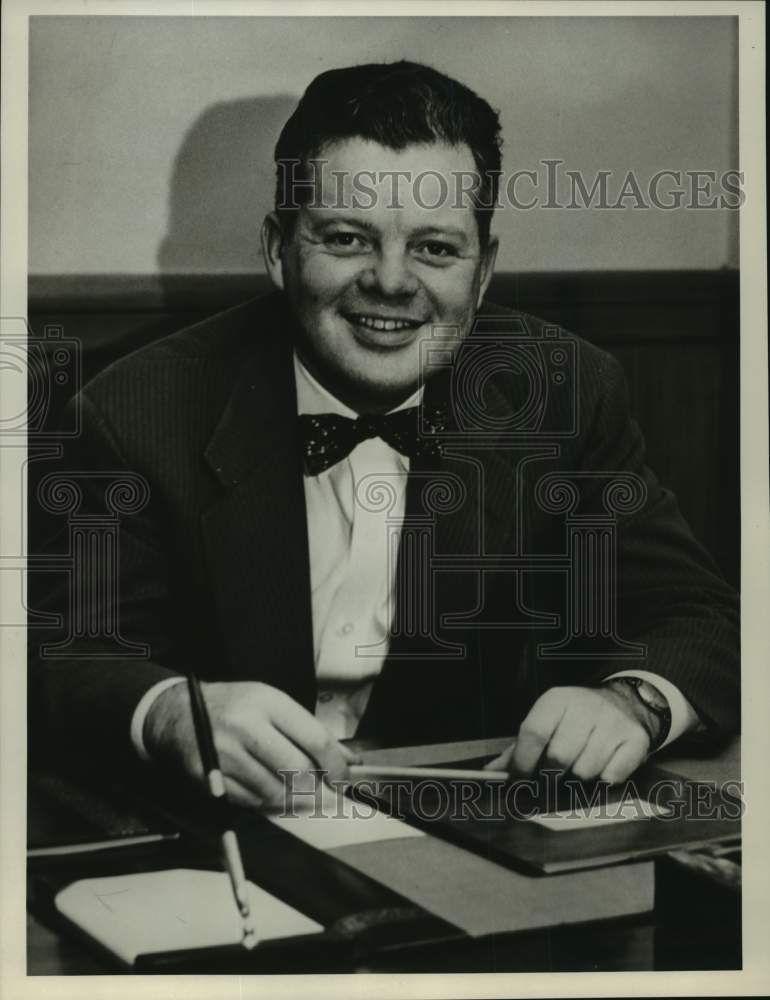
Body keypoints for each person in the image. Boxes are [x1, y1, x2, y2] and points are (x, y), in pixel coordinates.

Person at [29, 61, 739, 810]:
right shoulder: (136, 410)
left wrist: (634, 702)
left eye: (435, 248)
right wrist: (173, 710)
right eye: (346, 238)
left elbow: (699, 615)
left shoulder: (563, 392)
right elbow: (67, 655)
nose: (392, 282)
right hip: (227, 839)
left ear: (485, 270)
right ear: (278, 250)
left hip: (483, 842)